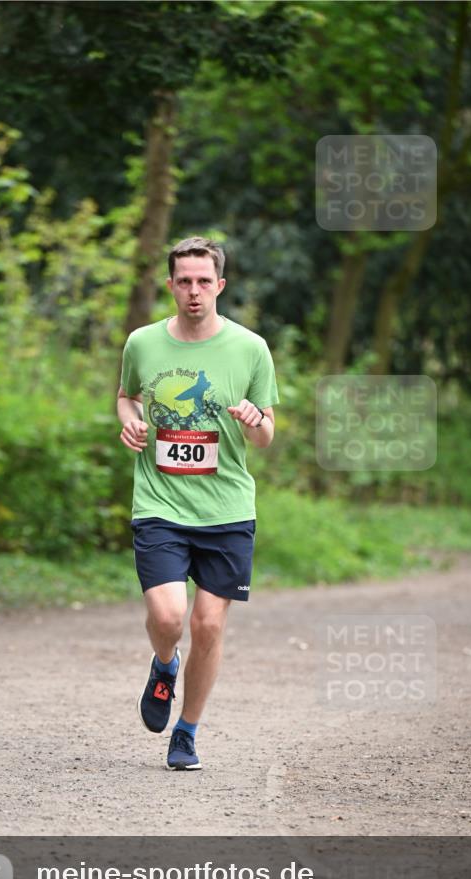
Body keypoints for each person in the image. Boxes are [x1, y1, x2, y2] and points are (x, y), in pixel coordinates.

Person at [117, 236, 279, 771]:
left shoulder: (250, 348)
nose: (193, 291)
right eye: (183, 281)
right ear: (170, 285)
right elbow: (127, 395)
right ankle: (164, 664)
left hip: (227, 510)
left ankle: (186, 732)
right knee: (168, 617)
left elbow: (266, 435)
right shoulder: (142, 343)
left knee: (209, 625)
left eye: (203, 281)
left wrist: (257, 423)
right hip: (160, 502)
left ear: (220, 286)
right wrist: (131, 421)